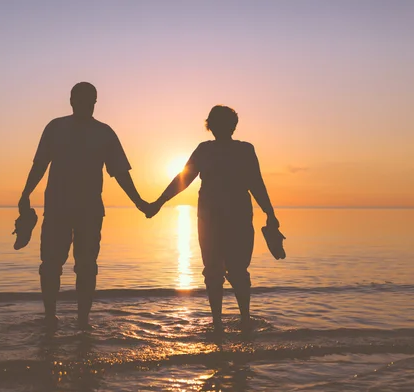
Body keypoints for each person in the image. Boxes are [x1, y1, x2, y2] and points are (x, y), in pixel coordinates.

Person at [17, 82, 148, 328]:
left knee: (84, 266)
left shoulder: (104, 133)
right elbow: (40, 164)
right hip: (58, 209)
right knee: (52, 265)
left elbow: (120, 172)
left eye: (88, 100)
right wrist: (25, 193)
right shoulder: (56, 127)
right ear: (71, 101)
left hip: (88, 211)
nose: (84, 104)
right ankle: (51, 317)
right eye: (80, 99)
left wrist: (139, 202)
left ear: (94, 102)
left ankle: (82, 320)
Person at [144, 105, 280, 332]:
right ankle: (233, 321)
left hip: (224, 218)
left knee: (221, 271)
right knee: (226, 271)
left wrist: (270, 212)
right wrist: (159, 202)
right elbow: (185, 179)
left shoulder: (233, 150)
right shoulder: (227, 150)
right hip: (217, 219)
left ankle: (228, 322)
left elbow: (255, 183)